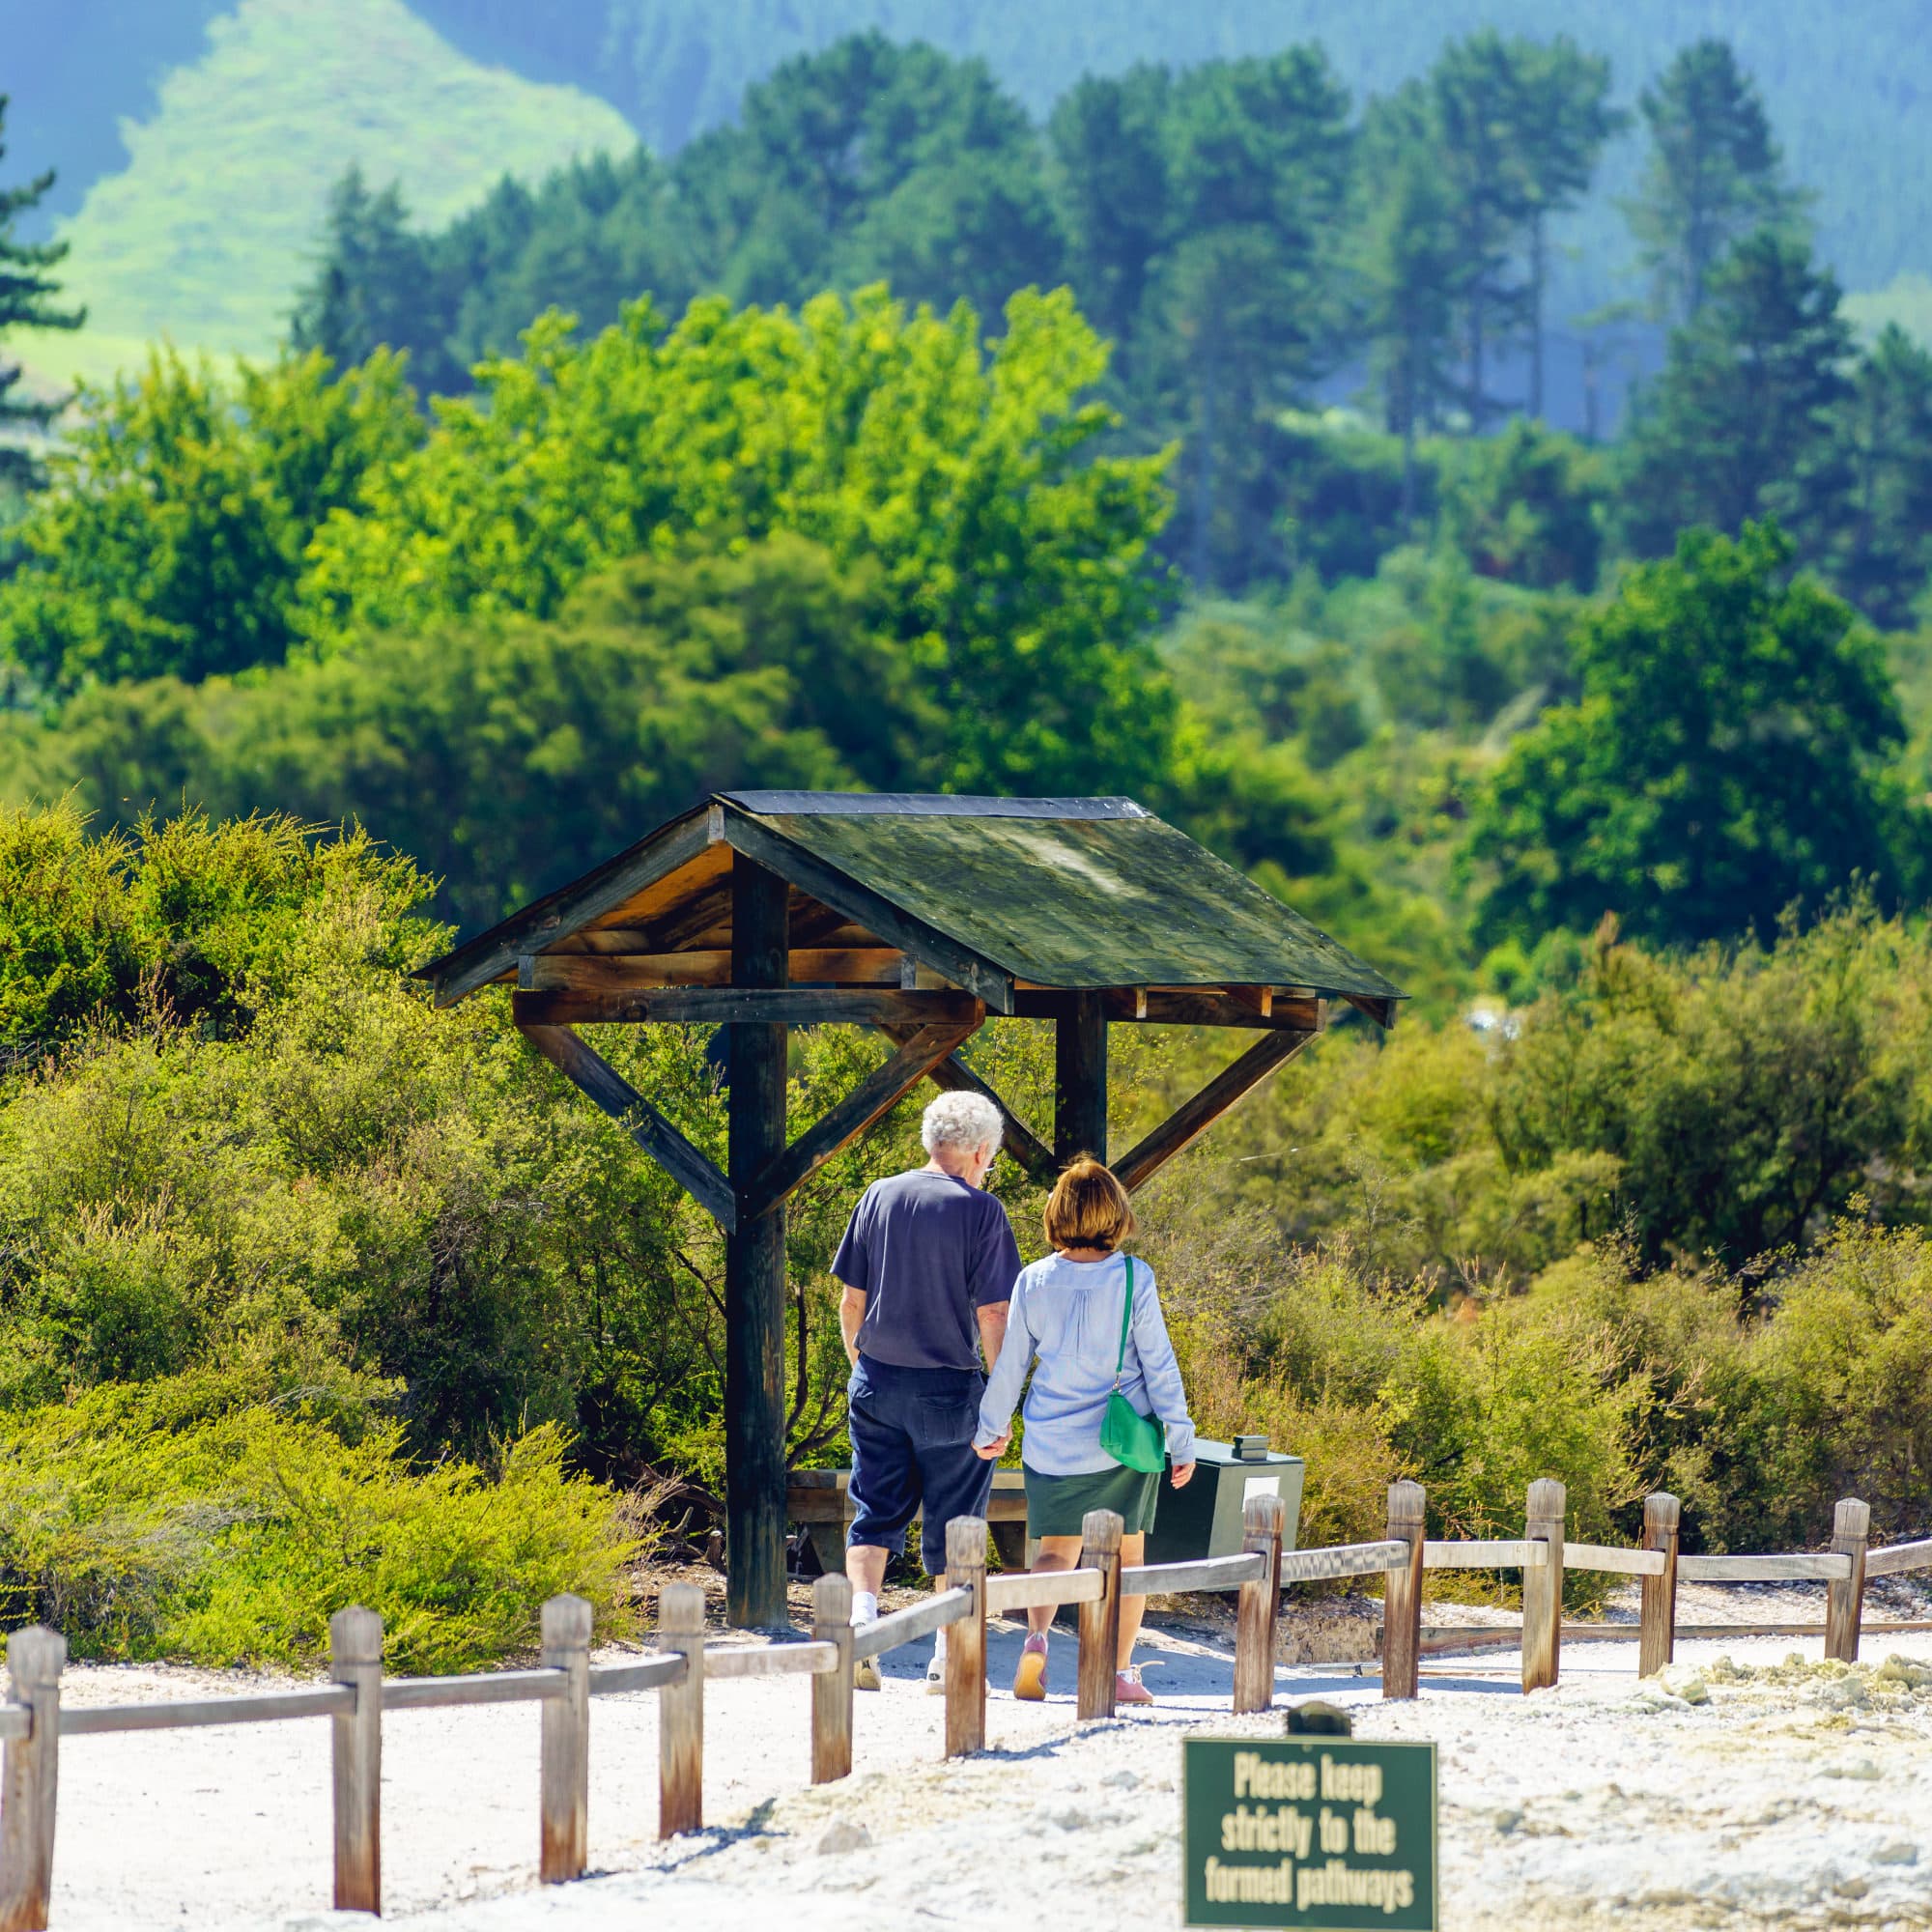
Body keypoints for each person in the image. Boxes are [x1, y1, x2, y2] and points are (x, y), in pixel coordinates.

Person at [973, 1155, 1195, 1706]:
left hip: (1051, 1443)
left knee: (1053, 1552)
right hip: (1119, 1446)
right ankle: (1117, 1672)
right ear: (1115, 1214)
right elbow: (1160, 1365)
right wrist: (1181, 1437)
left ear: (1057, 1213)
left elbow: (1011, 1365)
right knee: (1126, 1559)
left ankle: (1037, 1638)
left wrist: (990, 1427)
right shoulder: (1132, 1277)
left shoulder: (1034, 1279)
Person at [834, 1091, 1019, 1692]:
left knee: (873, 1512)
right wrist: (999, 1401)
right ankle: (947, 1657)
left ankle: (862, 1630)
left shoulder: (878, 1195)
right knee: (957, 1521)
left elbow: (850, 1303)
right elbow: (994, 1313)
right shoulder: (982, 1212)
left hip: (878, 1381)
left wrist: (863, 1366)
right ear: (981, 1150)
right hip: (950, 1389)